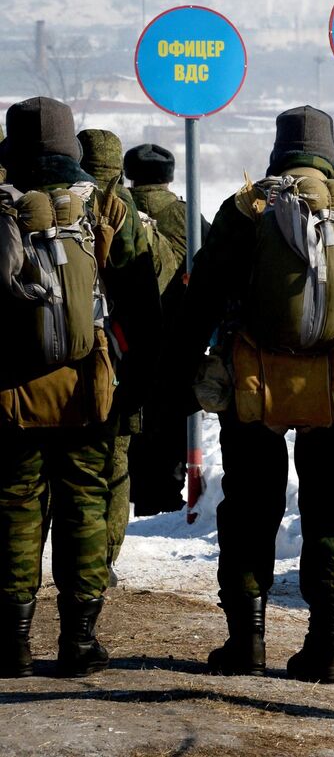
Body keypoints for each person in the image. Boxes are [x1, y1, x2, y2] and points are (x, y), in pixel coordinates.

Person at [178, 105, 334, 682]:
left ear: (278, 153)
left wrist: (185, 374)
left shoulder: (246, 208)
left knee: (250, 507)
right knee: (329, 509)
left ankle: (246, 642)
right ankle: (327, 647)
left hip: (253, 388)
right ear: (329, 152)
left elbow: (200, 298)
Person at [0, 99, 160, 678]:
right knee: (85, 509)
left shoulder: (2, 207)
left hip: (10, 392)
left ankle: (13, 641)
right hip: (91, 391)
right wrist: (136, 389)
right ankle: (79, 640)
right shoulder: (109, 208)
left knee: (15, 509)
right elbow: (144, 308)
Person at [78, 129, 162, 574]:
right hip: (115, 358)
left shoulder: (47, 199)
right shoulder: (124, 210)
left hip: (55, 358)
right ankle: (101, 561)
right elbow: (150, 290)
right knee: (112, 465)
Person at [123, 142, 209, 515]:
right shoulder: (185, 216)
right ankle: (165, 495)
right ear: (169, 177)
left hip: (122, 339)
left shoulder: (117, 209)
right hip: (175, 341)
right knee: (170, 421)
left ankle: (129, 490)